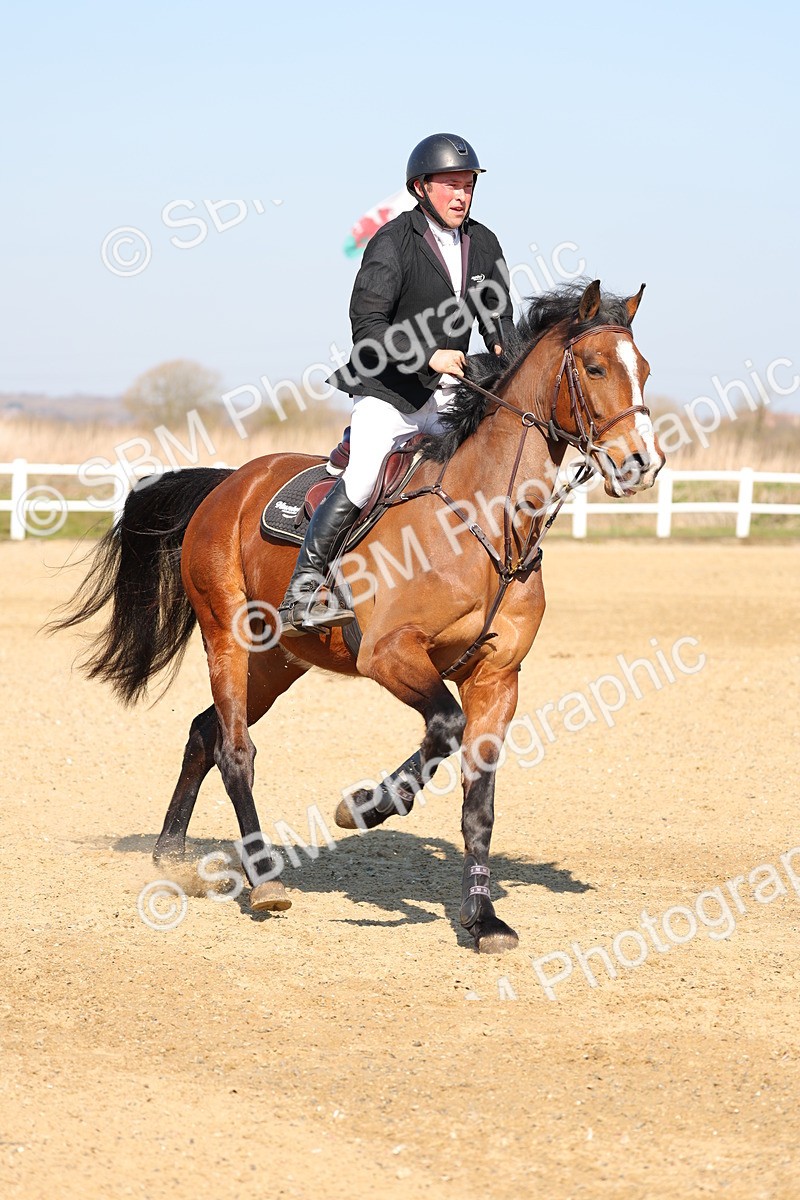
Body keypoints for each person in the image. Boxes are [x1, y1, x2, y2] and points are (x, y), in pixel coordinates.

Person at [278, 132, 515, 636]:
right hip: (391, 394)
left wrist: (505, 357)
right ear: (420, 187)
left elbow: (499, 324)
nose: (461, 195)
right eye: (451, 184)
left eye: (468, 185)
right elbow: (367, 328)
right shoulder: (393, 241)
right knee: (363, 476)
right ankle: (302, 591)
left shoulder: (485, 242)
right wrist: (429, 355)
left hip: (452, 398)